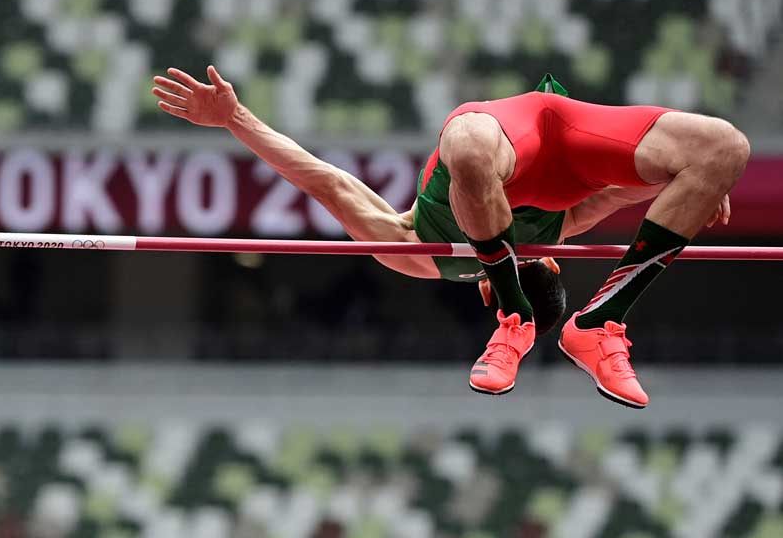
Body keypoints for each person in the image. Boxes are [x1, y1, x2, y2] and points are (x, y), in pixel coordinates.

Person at [152, 66, 749, 409]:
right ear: (555, 266)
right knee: (723, 150)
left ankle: (577, 325)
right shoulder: (564, 228)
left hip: (509, 138)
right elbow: (629, 189)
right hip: (562, 136)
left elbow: (330, 184)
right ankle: (582, 323)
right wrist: (695, 181)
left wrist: (237, 120)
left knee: (464, 143)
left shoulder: (425, 256)